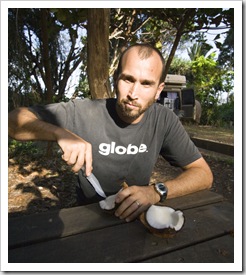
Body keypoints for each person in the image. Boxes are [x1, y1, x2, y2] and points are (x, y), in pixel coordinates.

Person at [8, 43, 213, 222]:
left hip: (135, 218)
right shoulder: (84, 112)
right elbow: (12, 121)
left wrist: (155, 192)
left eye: (146, 84)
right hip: (87, 218)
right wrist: (60, 133)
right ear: (115, 79)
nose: (134, 93)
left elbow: (203, 174)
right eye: (128, 79)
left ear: (159, 90)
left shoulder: (164, 119)